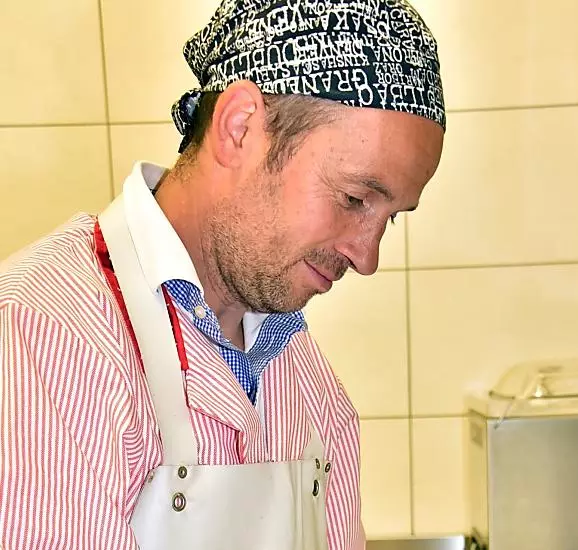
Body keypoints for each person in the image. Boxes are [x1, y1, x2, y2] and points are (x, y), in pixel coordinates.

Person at [0, 1, 445, 548]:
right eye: (354, 198)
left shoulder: (308, 383)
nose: (367, 256)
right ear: (239, 127)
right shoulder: (39, 337)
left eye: (390, 217)